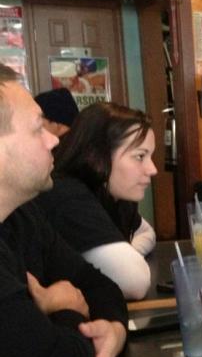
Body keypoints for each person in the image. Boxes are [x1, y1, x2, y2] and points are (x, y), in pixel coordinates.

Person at [0, 65, 127, 357]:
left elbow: (99, 285)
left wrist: (114, 332)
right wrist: (66, 306)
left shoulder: (24, 216)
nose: (54, 140)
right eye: (37, 128)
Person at [36, 102, 157, 300]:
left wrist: (129, 253)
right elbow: (134, 281)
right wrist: (126, 260)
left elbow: (146, 232)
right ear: (97, 157)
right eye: (140, 156)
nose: (152, 169)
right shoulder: (68, 197)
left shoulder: (115, 194)